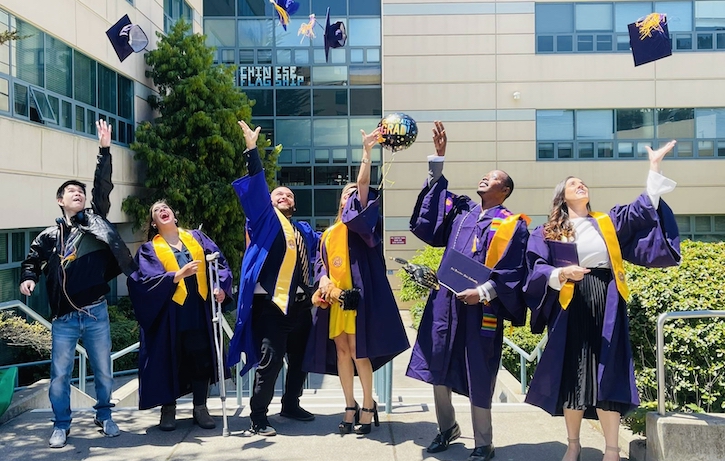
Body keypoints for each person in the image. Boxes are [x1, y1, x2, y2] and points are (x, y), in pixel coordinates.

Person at [523, 141, 681, 461]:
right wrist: (562, 274)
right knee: (574, 374)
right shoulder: (549, 232)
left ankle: (611, 449)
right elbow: (535, 268)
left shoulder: (606, 221)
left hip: (606, 299)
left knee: (607, 372)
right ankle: (573, 444)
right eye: (572, 183)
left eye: (582, 182)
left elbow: (641, 210)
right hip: (570, 303)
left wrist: (654, 167)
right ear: (561, 196)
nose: (580, 183)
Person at [406, 121, 530, 461]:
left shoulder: (512, 224)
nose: (484, 179)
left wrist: (485, 292)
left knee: (479, 370)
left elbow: (514, 270)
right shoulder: (462, 215)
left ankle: (483, 441)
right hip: (446, 301)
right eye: (484, 176)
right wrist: (439, 158)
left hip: (482, 307)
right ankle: (446, 428)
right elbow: (429, 222)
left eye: (492, 178)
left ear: (504, 190)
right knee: (438, 362)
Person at [19, 120, 137, 448]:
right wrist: (28, 279)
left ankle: (105, 414)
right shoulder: (48, 236)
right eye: (72, 192)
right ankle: (61, 424)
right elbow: (31, 263)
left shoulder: (95, 221)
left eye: (81, 192)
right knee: (59, 375)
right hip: (64, 318)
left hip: (96, 312)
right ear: (60, 200)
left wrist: (104, 151)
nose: (79, 194)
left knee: (103, 371)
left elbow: (103, 187)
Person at [304, 128, 410, 435]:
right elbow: (320, 264)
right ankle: (348, 404)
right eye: (346, 195)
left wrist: (366, 152)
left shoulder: (362, 227)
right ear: (340, 202)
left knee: (360, 351)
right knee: (342, 352)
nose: (351, 197)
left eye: (356, 195)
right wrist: (324, 281)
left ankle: (367, 404)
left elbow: (363, 183)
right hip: (337, 300)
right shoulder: (328, 234)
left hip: (360, 300)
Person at [227, 120, 321, 436]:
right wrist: (252, 150)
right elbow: (255, 187)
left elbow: (327, 251)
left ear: (294, 204)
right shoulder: (264, 221)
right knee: (270, 361)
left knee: (301, 360)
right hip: (272, 305)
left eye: (288, 194)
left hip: (300, 306)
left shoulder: (304, 231)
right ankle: (258, 417)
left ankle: (290, 404)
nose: (283, 195)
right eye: (278, 193)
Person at [127, 200, 233, 431]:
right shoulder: (149, 249)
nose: (162, 211)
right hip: (169, 315)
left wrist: (221, 287)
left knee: (201, 357)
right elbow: (141, 282)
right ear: (154, 223)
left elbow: (220, 263)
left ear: (174, 216)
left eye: (165, 208)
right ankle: (168, 409)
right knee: (168, 359)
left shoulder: (197, 238)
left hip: (198, 309)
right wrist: (176, 276)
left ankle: (200, 407)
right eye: (156, 210)